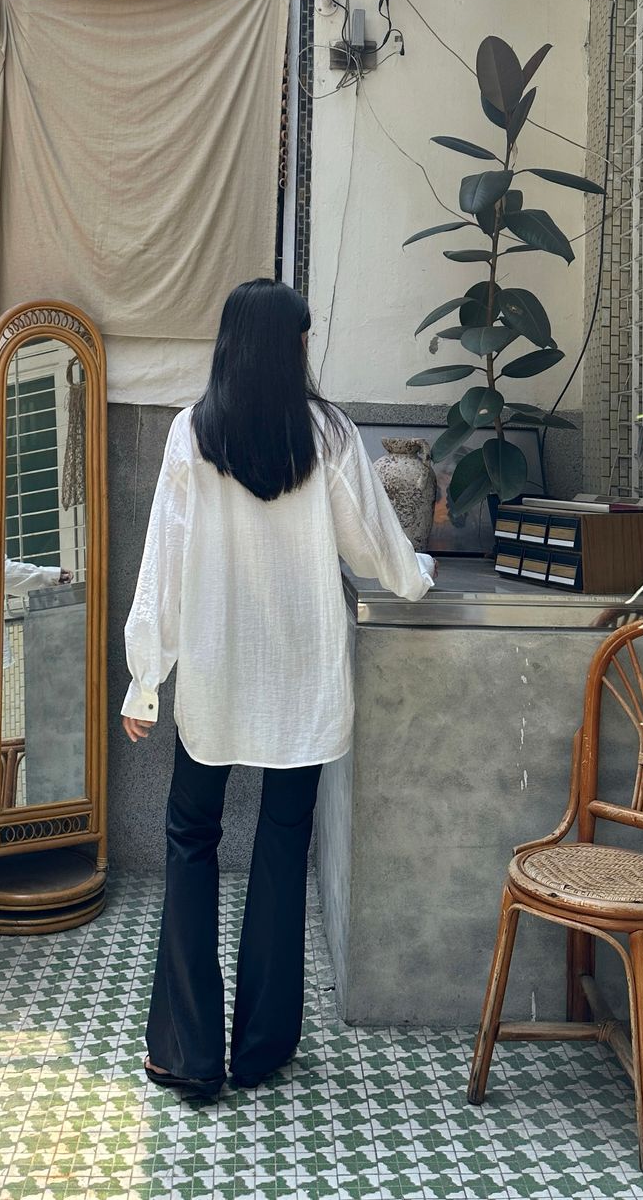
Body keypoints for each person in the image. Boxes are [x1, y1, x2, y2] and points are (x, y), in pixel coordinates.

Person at [121, 279, 436, 1100]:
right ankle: (260, 1048)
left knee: (191, 838)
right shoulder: (328, 432)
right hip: (302, 675)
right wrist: (417, 575)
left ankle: (188, 1051)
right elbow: (373, 547)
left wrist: (146, 677)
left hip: (217, 675)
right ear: (286, 344)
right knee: (282, 845)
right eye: (302, 335)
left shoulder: (193, 432)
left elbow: (164, 566)